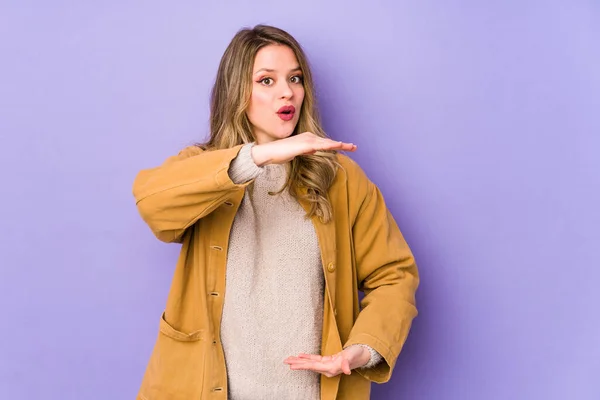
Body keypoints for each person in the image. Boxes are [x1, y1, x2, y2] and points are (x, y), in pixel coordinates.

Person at [132, 24, 419, 400]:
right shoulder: (206, 169)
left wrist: (363, 349)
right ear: (238, 91)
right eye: (266, 81)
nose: (287, 92)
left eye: (295, 78)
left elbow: (395, 275)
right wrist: (259, 156)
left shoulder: (340, 178)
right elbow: (153, 203)